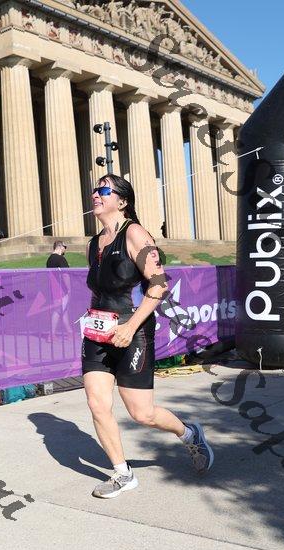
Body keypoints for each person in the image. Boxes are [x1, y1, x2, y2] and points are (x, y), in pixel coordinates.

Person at [82, 173, 214, 499]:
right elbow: (102, 289)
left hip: (134, 333)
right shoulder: (94, 243)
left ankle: (189, 434)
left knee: (142, 414)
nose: (96, 194)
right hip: (98, 334)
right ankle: (122, 473)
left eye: (104, 190)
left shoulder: (135, 234)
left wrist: (129, 327)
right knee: (97, 404)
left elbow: (158, 284)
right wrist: (93, 317)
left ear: (122, 201)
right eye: (95, 189)